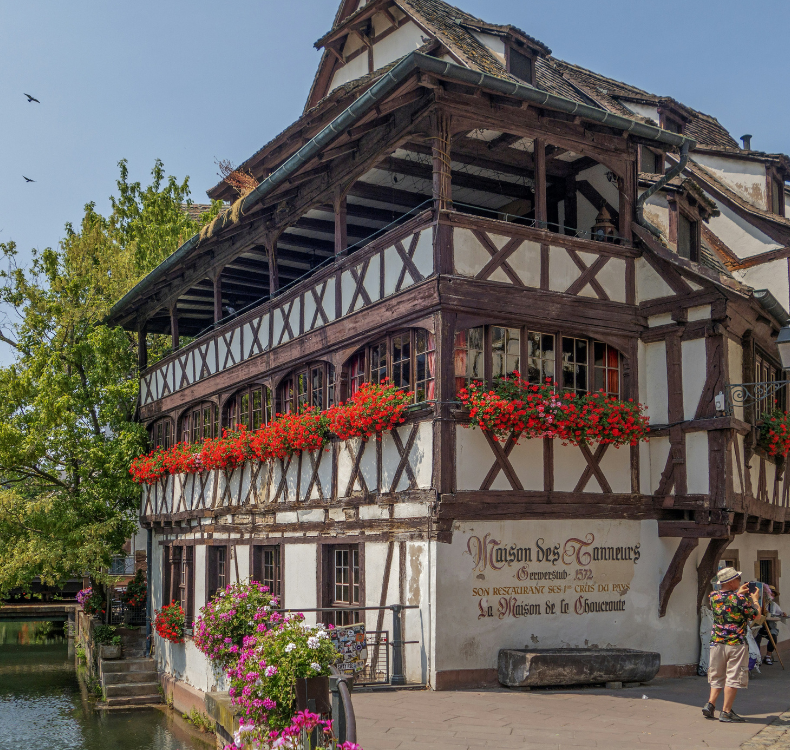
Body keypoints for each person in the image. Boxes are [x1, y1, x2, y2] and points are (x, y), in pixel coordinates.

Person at [702, 567, 760, 723]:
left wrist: (737, 594)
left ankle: (711, 704)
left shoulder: (713, 596)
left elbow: (727, 601)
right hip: (735, 644)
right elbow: (756, 616)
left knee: (717, 675)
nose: (740, 581)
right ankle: (726, 711)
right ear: (732, 581)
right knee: (733, 677)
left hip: (717, 642)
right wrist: (754, 600)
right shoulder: (741, 600)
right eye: (738, 579)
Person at [754, 587, 786, 665]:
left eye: (773, 595)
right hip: (759, 625)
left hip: (770, 625)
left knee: (773, 638)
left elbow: (780, 612)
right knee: (757, 638)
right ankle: (757, 658)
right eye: (771, 594)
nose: (772, 596)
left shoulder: (773, 604)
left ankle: (768, 656)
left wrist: (783, 613)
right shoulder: (759, 603)